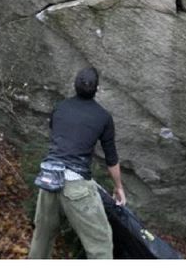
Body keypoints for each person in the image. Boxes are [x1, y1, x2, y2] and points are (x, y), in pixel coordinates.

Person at [28, 67, 126, 260]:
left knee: (42, 237)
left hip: (48, 180)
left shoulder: (60, 107)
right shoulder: (103, 117)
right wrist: (118, 187)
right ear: (97, 89)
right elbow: (111, 159)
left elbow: (57, 138)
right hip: (77, 186)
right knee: (101, 244)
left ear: (75, 85)